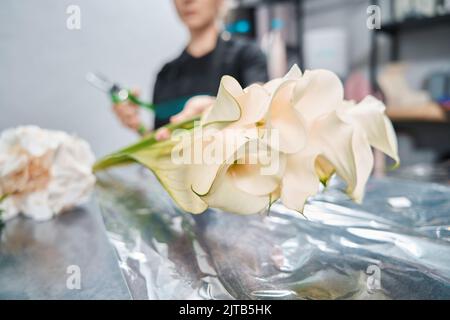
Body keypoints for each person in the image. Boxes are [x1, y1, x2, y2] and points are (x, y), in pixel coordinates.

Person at [113, 0, 268, 140]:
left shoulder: (247, 55)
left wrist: (217, 110)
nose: (187, 1)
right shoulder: (166, 74)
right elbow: (162, 144)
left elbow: (261, 110)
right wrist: (138, 126)